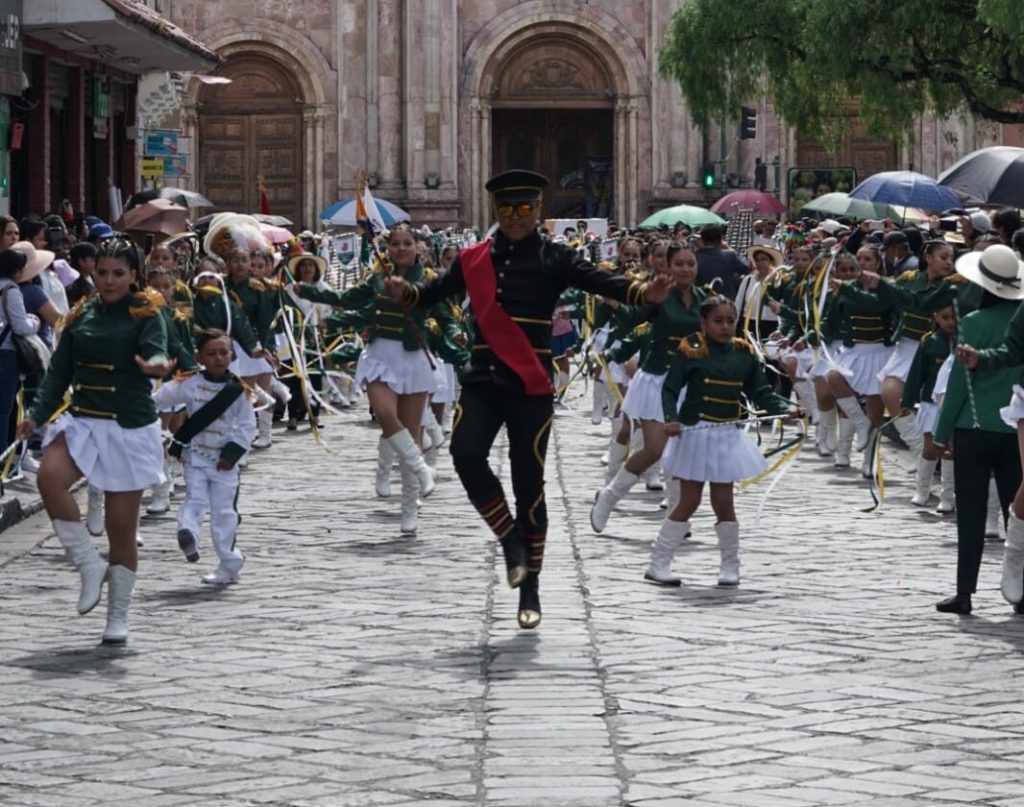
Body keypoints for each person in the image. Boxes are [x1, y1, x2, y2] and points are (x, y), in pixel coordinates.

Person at [385, 170, 672, 629]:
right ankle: (509, 542)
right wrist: (407, 291)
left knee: (529, 485)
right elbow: (432, 293)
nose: (515, 218)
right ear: (495, 212)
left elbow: (603, 282)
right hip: (483, 378)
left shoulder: (556, 257)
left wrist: (645, 292)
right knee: (464, 453)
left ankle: (530, 587)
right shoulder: (472, 258)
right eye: (506, 210)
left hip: (531, 383)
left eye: (523, 210)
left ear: (537, 210)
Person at [17, 238, 173, 644]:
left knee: (121, 529)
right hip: (85, 420)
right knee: (49, 479)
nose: (108, 280)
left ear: (134, 275)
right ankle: (87, 563)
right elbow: (59, 373)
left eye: (118, 273)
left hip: (128, 425)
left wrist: (154, 366)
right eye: (102, 272)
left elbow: (158, 352)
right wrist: (35, 415)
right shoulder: (82, 311)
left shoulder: (147, 311)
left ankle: (117, 615)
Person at [297, 223, 446, 534]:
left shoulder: (431, 280)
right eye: (396, 244)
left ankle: (409, 509)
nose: (402, 249)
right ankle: (422, 471)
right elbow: (347, 299)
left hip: (413, 357)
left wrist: (456, 338)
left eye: (408, 243)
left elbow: (446, 317)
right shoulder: (376, 277)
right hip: (380, 354)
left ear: (417, 247)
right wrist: (307, 290)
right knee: (384, 414)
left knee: (411, 432)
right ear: (388, 248)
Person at [646, 295, 799, 586]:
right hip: (695, 433)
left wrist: (785, 408)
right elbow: (670, 388)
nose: (726, 327)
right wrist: (671, 418)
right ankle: (658, 562)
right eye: (718, 321)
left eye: (731, 321)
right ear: (703, 323)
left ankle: (730, 565)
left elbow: (762, 392)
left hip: (726, 435)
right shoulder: (691, 351)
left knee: (724, 502)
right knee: (688, 501)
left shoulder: (743, 353)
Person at [933, 245, 1024, 614]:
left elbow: (957, 383)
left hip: (974, 427)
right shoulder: (1017, 319)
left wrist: (940, 434)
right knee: (1014, 511)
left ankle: (965, 593)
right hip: (1014, 428)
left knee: (970, 513)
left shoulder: (970, 322)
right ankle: (1020, 593)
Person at [590, 241, 704, 533]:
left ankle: (678, 516)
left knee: (683, 449)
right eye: (679, 263)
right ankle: (609, 496)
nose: (685, 269)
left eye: (690, 263)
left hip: (686, 383)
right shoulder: (659, 294)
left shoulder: (705, 299)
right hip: (656, 380)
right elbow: (632, 318)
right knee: (655, 447)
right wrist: (614, 300)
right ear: (666, 265)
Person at [154, 328, 255, 585]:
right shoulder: (189, 383)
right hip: (195, 456)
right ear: (200, 356)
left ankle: (230, 562)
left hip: (224, 462)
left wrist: (231, 454)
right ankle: (188, 534)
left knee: (224, 512)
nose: (218, 358)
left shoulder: (239, 391)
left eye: (223, 352)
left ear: (231, 355)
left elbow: (246, 426)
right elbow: (160, 399)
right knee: (194, 498)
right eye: (211, 353)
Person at [0, 249, 41, 461]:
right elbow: (20, 327)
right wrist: (34, 321)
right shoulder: (11, 290)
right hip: (6, 356)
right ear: (17, 270)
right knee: (3, 412)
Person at [695, 224, 747, 299]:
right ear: (720, 240)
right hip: (726, 302)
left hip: (702, 301)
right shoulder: (730, 255)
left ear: (702, 240)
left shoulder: (694, 257)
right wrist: (728, 248)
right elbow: (746, 269)